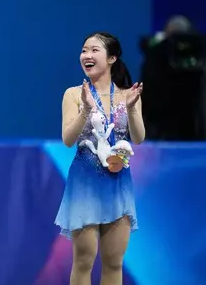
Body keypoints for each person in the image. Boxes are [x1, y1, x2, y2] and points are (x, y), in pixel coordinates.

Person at [55, 32, 145, 285]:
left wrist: (131, 108)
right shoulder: (73, 94)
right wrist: (85, 109)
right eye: (84, 50)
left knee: (114, 262)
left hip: (118, 185)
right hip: (84, 184)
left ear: (112, 58)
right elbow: (68, 139)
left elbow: (138, 138)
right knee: (84, 259)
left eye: (94, 50)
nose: (87, 55)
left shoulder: (129, 95)